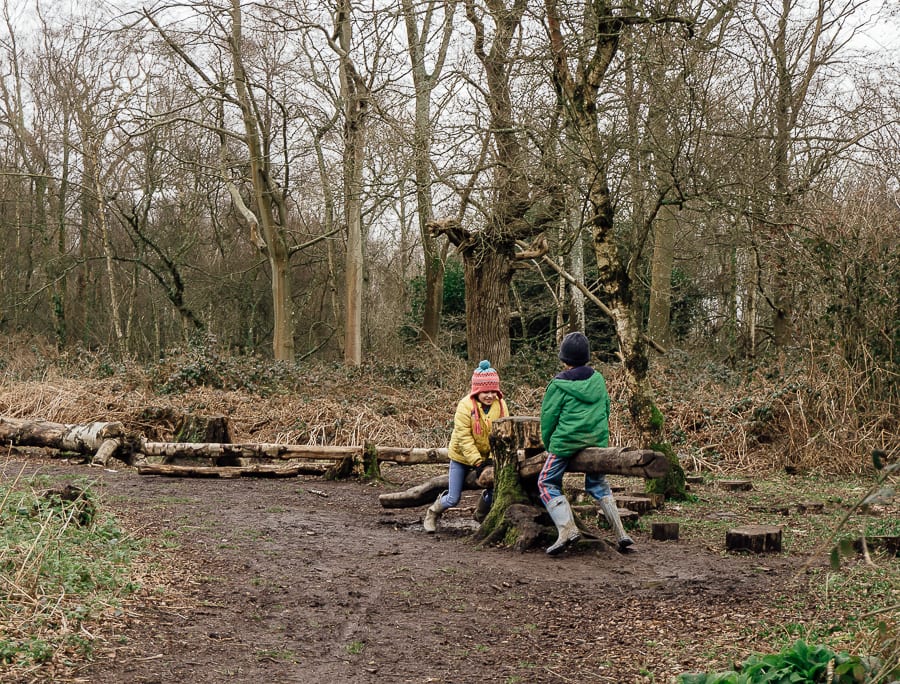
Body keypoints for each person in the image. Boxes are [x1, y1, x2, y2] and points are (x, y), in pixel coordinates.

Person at [538, 331, 634, 555]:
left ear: (564, 359)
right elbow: (606, 409)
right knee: (598, 484)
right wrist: (599, 435)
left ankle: (567, 530)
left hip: (565, 442)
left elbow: (548, 418)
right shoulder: (598, 379)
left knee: (546, 482)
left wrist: (549, 443)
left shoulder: (557, 385)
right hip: (596, 441)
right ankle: (621, 533)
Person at [424, 360, 509, 533]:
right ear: (477, 390)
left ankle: (481, 514)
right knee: (453, 498)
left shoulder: (500, 405)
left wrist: (492, 459)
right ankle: (432, 512)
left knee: (495, 490)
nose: (490, 395)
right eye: (485, 391)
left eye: (493, 391)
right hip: (462, 457)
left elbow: (503, 434)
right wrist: (477, 463)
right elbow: (464, 438)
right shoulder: (465, 406)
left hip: (488, 457)